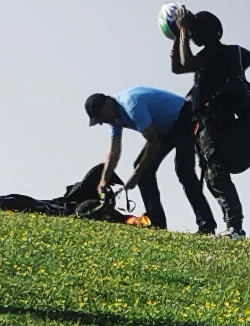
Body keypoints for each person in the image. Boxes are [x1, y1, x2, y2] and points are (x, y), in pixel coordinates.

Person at [159, 5, 250, 238]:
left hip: (215, 123)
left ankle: (235, 227)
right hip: (205, 123)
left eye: (194, 32)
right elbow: (177, 67)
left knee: (216, 172)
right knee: (212, 174)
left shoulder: (219, 55)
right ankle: (223, 225)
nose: (191, 37)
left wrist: (181, 34)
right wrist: (177, 39)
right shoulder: (210, 55)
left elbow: (188, 63)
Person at [81, 86, 197, 228]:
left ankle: (206, 225)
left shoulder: (132, 106)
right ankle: (156, 223)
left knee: (184, 171)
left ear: (108, 105)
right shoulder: (114, 119)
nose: (101, 122)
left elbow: (154, 143)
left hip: (184, 117)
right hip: (163, 129)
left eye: (100, 116)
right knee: (144, 172)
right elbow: (114, 151)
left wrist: (135, 176)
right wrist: (103, 181)